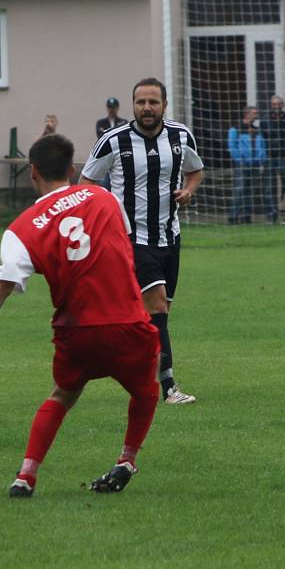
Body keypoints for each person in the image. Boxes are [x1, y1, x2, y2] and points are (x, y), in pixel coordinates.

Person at [0, 133, 160, 497]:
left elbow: (3, 281)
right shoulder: (105, 197)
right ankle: (127, 459)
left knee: (63, 394)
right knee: (147, 389)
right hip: (127, 323)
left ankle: (26, 476)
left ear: (33, 172)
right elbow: (124, 248)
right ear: (73, 169)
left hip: (76, 331)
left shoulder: (20, 228)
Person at [80, 77, 204, 405]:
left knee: (155, 316)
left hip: (170, 236)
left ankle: (125, 359)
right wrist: (104, 215)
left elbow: (195, 170)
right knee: (158, 305)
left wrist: (189, 191)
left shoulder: (181, 135)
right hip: (130, 237)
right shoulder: (113, 140)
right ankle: (168, 388)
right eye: (140, 102)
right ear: (132, 105)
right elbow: (87, 182)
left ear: (164, 105)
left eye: (153, 102)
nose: (146, 108)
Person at [227, 106, 267, 224]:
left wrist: (261, 159)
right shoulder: (236, 129)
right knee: (239, 190)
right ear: (246, 114)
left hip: (255, 164)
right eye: (254, 113)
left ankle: (246, 216)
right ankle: (233, 216)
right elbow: (232, 147)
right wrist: (239, 160)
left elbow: (262, 146)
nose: (256, 115)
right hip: (242, 164)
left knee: (251, 191)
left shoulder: (257, 130)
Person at [262, 95, 285, 214]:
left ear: (282, 105)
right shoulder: (265, 120)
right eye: (274, 104)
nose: (276, 106)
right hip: (270, 158)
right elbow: (262, 139)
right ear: (271, 105)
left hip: (284, 157)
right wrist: (265, 154)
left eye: (279, 104)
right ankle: (272, 213)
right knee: (269, 187)